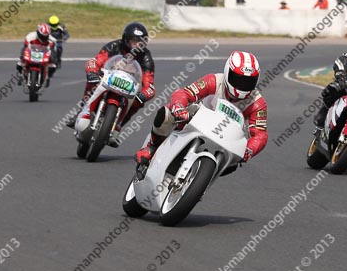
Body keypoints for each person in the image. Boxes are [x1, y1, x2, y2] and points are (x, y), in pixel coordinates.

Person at [135, 50, 268, 167]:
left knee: (233, 164)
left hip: (228, 139)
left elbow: (260, 134)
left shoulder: (257, 103)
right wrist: (179, 107)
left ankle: (201, 180)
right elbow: (185, 93)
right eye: (238, 79)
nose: (242, 85)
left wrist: (249, 150)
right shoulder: (213, 81)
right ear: (227, 72)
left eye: (248, 82)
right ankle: (152, 147)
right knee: (166, 114)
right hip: (198, 119)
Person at [66, 22, 155, 145]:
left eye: (140, 42)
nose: (137, 45)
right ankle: (82, 110)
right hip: (108, 77)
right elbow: (96, 60)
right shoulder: (113, 46)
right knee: (92, 81)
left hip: (127, 84)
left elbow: (149, 84)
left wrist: (144, 94)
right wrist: (92, 71)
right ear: (126, 40)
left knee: (138, 102)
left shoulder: (146, 57)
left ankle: (117, 126)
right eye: (134, 41)